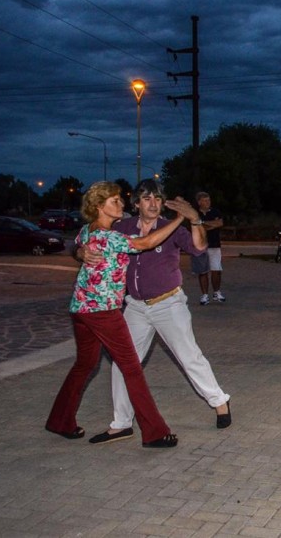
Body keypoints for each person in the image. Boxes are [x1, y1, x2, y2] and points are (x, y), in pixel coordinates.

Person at [78, 180, 232, 445]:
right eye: (147, 198)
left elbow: (199, 247)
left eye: (158, 199)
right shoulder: (123, 227)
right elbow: (90, 238)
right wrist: (80, 251)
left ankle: (219, 402)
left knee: (189, 357)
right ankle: (121, 423)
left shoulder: (171, 228)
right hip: (135, 307)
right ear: (137, 203)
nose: (153, 203)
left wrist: (195, 220)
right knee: (123, 363)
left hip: (168, 304)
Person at [45, 181, 195, 448]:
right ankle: (155, 433)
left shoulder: (88, 231)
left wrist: (79, 251)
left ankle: (60, 421)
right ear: (98, 206)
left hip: (81, 308)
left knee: (85, 364)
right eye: (114, 201)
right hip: (102, 310)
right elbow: (146, 242)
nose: (122, 204)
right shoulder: (108, 236)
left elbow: (77, 245)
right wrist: (179, 218)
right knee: (131, 368)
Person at [191, 192, 225, 306]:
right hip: (200, 246)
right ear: (199, 202)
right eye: (205, 201)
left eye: (209, 200)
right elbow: (196, 227)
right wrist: (210, 225)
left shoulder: (215, 212)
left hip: (214, 245)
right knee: (203, 271)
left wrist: (203, 224)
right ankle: (205, 295)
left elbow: (219, 223)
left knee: (216, 270)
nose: (208, 202)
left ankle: (216, 292)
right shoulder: (195, 213)